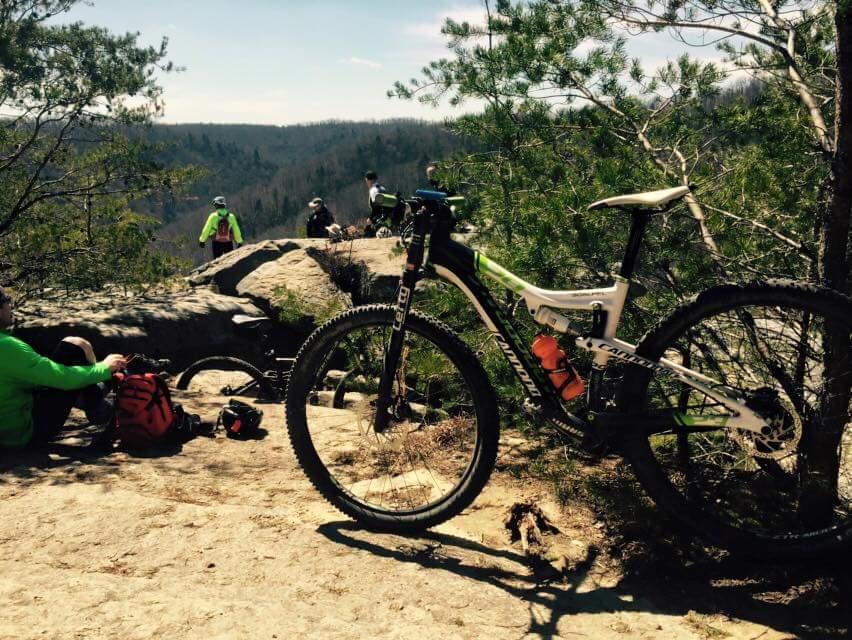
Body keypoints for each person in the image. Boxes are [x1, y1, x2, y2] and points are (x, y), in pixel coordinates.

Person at [0, 287, 127, 448]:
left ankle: (97, 402)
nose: (10, 305)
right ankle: (100, 408)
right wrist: (104, 368)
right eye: (7, 300)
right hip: (19, 436)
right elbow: (63, 378)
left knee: (73, 346)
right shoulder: (6, 347)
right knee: (75, 349)